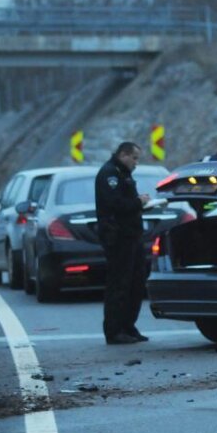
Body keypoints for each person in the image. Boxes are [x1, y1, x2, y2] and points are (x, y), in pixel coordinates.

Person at [95, 142, 150, 345]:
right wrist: (139, 202)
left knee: (136, 282)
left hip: (132, 235)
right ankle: (114, 330)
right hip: (118, 237)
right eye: (134, 158)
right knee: (119, 284)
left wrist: (138, 203)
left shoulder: (123, 173)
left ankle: (128, 326)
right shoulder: (110, 174)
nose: (136, 163)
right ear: (123, 155)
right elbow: (115, 204)